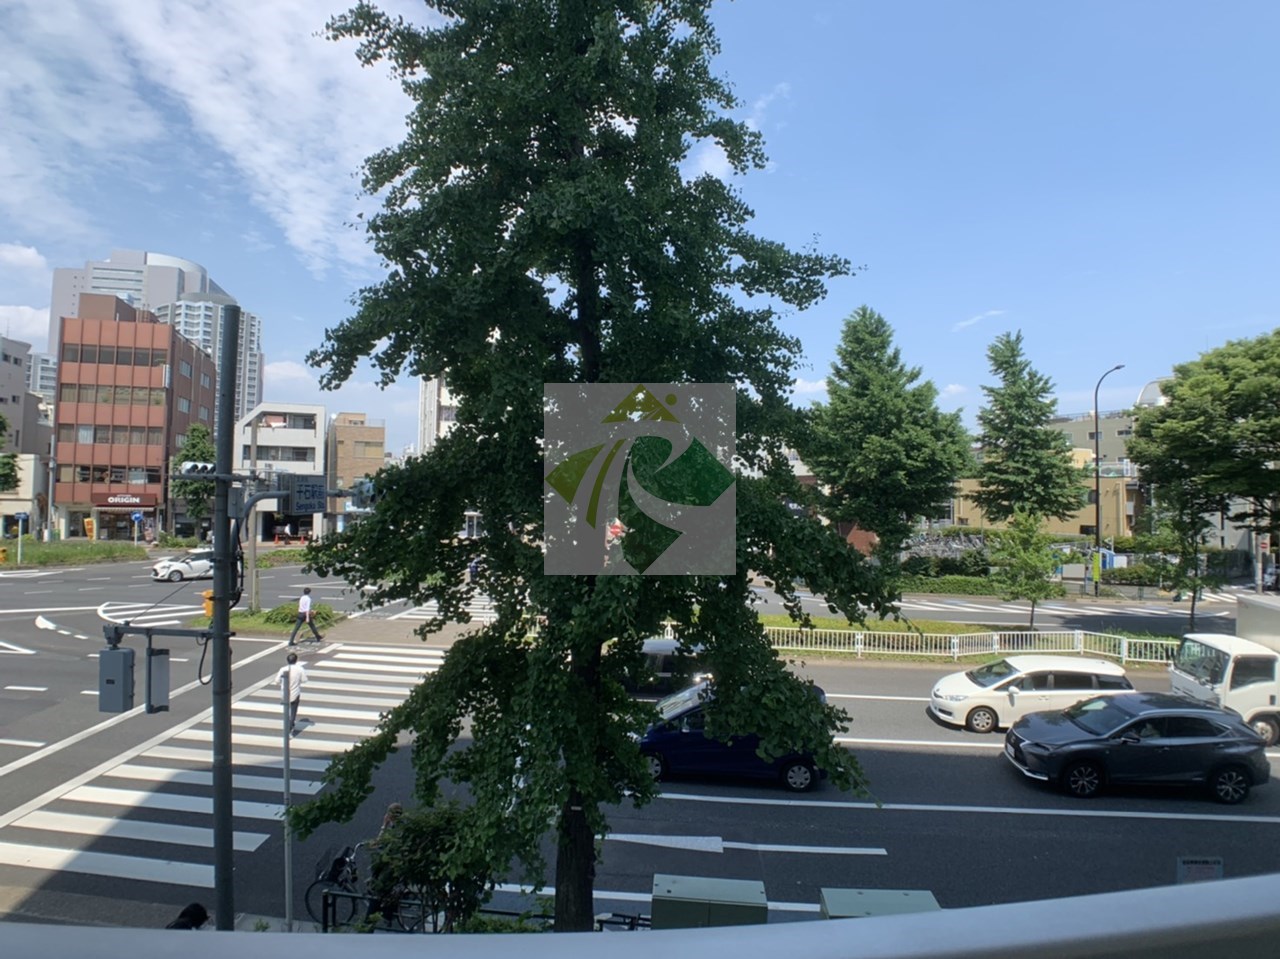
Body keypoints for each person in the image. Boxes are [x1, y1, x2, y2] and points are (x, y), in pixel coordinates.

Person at [277, 651, 308, 734]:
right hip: (295, 692)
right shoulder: (300, 669)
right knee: (294, 709)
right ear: (296, 660)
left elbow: (277, 681)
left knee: (286, 709)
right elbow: (304, 680)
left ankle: (288, 723)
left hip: (284, 693)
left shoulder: (283, 669)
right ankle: (291, 723)